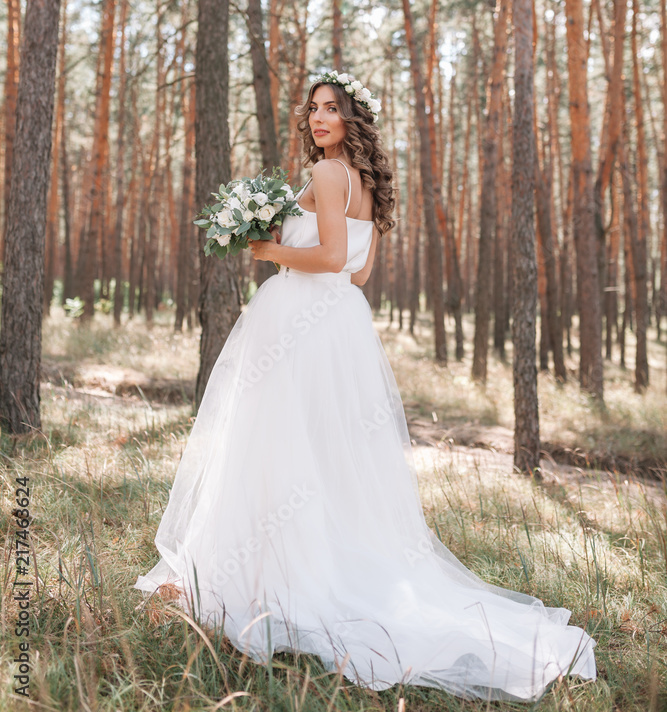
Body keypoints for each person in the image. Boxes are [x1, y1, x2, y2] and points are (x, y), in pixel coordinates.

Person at [133, 70, 596, 701]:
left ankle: (266, 582)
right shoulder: (367, 186)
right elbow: (357, 274)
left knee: (274, 450)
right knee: (322, 457)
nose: (318, 117)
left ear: (353, 120)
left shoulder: (326, 175)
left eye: (332, 109)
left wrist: (267, 252)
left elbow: (327, 259)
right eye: (314, 108)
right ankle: (296, 568)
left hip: (299, 322)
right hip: (339, 325)